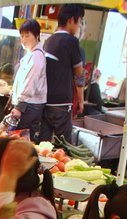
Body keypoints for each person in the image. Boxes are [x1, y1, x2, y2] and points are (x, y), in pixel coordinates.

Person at [41, 4, 85, 142]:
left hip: (45, 101)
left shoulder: (48, 41)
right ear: (71, 20)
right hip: (62, 103)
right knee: (64, 146)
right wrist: (81, 100)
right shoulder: (71, 41)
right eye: (79, 22)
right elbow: (79, 75)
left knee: (44, 145)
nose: (79, 27)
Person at [10, 19, 47, 142]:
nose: (24, 40)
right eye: (22, 36)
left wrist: (19, 106)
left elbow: (30, 83)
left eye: (27, 36)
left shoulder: (36, 56)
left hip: (29, 106)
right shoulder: (31, 54)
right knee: (22, 141)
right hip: (28, 104)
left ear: (37, 36)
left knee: (20, 141)